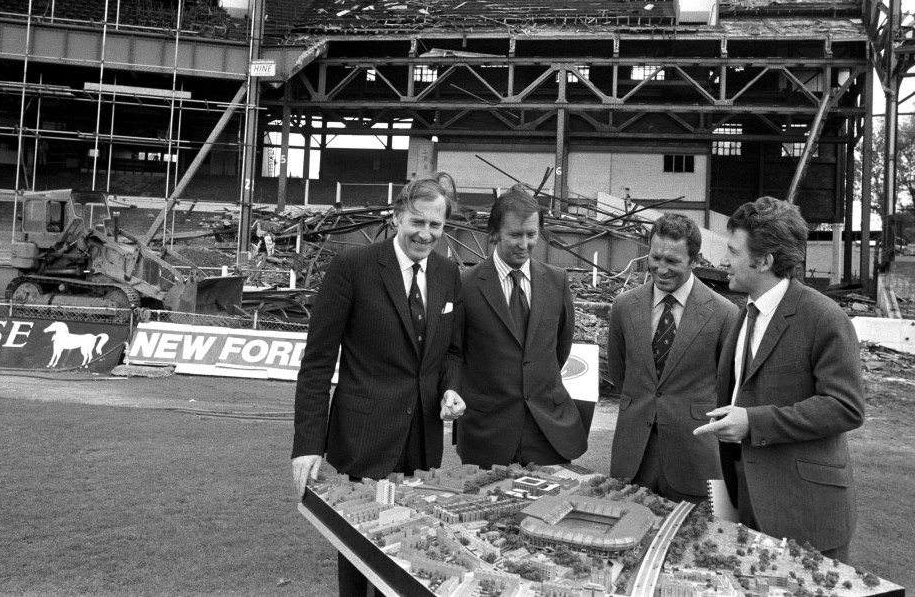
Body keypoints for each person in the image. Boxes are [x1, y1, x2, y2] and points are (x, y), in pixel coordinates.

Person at [291, 177, 466, 596]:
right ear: (396, 217)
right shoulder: (353, 267)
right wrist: (307, 444)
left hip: (421, 441)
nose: (425, 234)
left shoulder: (448, 273)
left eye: (436, 225)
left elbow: (453, 352)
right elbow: (316, 363)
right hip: (364, 439)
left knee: (411, 555)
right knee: (360, 558)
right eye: (417, 222)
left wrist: (450, 389)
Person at [694, 196, 865, 562]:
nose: (724, 260)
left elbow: (846, 407)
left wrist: (753, 422)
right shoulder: (744, 316)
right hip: (749, 502)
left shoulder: (825, 318)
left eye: (734, 251)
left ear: (765, 260)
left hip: (808, 513)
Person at [447, 187, 588, 469]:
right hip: (487, 433)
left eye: (531, 234)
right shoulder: (466, 285)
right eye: (515, 235)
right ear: (494, 234)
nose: (524, 243)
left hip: (548, 430)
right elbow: (456, 352)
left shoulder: (557, 281)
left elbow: (561, 348)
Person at [607, 213, 736, 503]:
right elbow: (620, 373)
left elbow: (728, 388)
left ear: (695, 260)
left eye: (673, 261)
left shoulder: (724, 314)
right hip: (633, 460)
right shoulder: (624, 307)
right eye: (656, 257)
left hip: (695, 461)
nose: (661, 269)